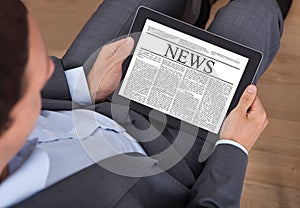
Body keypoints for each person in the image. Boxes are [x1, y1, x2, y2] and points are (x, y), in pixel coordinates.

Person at [0, 0, 292, 207]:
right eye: (38, 72)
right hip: (171, 163)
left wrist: (80, 85)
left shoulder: (39, 87)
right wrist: (233, 148)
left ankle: (196, 7)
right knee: (254, 11)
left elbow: (47, 76)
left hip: (85, 93)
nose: (52, 68)